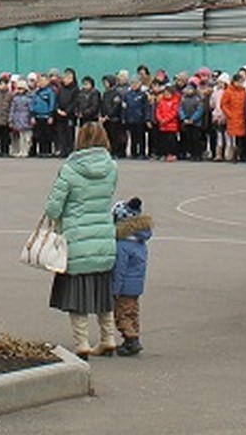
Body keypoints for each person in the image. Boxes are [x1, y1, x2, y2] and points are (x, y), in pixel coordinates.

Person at [43, 120, 118, 358]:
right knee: (102, 290)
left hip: (76, 235)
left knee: (77, 294)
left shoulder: (70, 168)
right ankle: (108, 337)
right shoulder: (112, 167)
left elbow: (54, 206)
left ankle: (82, 342)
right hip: (103, 234)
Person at [108, 197, 152, 356]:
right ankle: (134, 336)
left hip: (125, 287)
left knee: (122, 314)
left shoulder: (122, 245)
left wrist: (115, 289)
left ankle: (131, 339)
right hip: (136, 285)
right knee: (133, 312)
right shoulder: (140, 242)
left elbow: (120, 270)